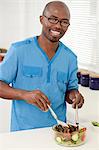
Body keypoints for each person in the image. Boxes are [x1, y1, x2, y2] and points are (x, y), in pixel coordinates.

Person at [0, 1, 84, 132]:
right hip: (23, 133)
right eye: (53, 19)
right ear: (41, 19)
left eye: (64, 22)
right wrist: (24, 94)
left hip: (58, 131)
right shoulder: (18, 50)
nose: (58, 26)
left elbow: (70, 91)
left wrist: (75, 96)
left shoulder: (70, 58)